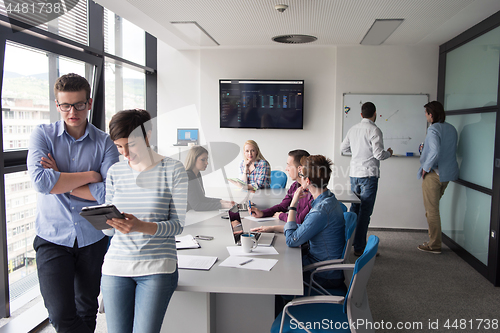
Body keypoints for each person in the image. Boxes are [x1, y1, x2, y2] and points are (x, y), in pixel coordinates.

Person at [27, 73, 120, 332]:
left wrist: (61, 179)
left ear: (89, 103)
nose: (72, 112)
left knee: (87, 307)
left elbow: (110, 193)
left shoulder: (104, 142)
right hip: (52, 238)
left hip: (93, 236)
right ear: (57, 105)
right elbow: (42, 183)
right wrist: (92, 176)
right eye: (65, 105)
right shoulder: (42, 136)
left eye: (79, 104)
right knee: (59, 314)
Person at [100, 109, 187, 333]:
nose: (126, 153)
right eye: (119, 147)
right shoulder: (115, 172)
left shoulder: (173, 169)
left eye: (131, 145)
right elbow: (109, 233)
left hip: (156, 266)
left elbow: (177, 225)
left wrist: (140, 226)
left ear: (148, 135)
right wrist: (106, 222)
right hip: (116, 266)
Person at [284, 155, 346, 289]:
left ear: (307, 181)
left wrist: (293, 204)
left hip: (322, 274)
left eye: (301, 174)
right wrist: (277, 228)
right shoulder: (329, 199)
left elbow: (291, 241)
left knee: (280, 271)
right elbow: (308, 227)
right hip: (327, 266)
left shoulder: (320, 211)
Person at [340, 101, 393, 256]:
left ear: (361, 114)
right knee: (365, 212)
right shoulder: (375, 130)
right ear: (374, 114)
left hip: (354, 174)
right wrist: (388, 152)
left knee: (354, 210)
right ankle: (359, 248)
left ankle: (349, 243)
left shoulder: (353, 129)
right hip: (369, 175)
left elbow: (343, 149)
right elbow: (378, 154)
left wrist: (357, 151)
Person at [417, 101, 459, 254]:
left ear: (431, 114)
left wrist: (426, 168)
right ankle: (434, 241)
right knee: (434, 208)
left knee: (431, 210)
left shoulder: (433, 129)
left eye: (426, 113)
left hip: (434, 174)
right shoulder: (451, 128)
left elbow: (435, 151)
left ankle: (434, 245)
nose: (426, 116)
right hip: (447, 175)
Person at [250, 149, 312, 234]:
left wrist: (281, 215)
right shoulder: (295, 186)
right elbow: (282, 207)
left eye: (289, 165)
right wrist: (262, 213)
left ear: (299, 169)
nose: (286, 169)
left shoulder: (312, 192)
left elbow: (300, 220)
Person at [185, 145, 235, 211]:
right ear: (193, 160)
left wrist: (222, 201)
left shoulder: (197, 174)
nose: (206, 163)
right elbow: (197, 206)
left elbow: (202, 199)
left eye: (206, 159)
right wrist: (222, 205)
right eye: (203, 160)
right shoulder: (187, 177)